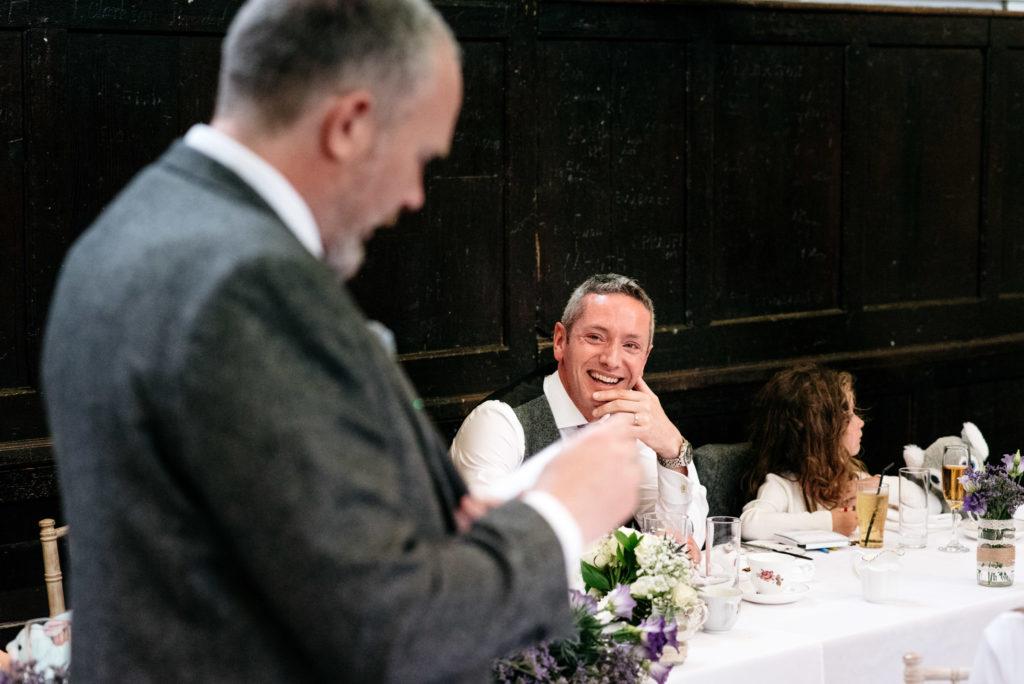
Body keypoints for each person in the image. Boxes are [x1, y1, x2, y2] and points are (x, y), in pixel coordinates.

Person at [40, 1, 643, 682]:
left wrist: (449, 523)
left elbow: (262, 542)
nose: (415, 195)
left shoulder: (125, 232)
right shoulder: (250, 281)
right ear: (351, 124)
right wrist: (560, 516)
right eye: (419, 156)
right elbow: (386, 630)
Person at [450, 273, 709, 560]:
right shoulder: (498, 422)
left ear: (644, 358)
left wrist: (672, 448)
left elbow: (679, 541)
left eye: (630, 345)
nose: (611, 360)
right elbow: (483, 544)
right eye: (595, 337)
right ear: (561, 341)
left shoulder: (638, 417)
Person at [739, 364, 869, 541]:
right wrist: (829, 523)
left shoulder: (850, 479)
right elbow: (750, 525)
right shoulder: (783, 486)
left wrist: (883, 487)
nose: (860, 422)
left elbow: (916, 500)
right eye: (847, 417)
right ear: (821, 432)